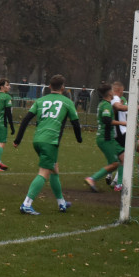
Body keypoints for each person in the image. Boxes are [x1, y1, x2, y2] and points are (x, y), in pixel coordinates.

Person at [13, 74, 82, 214]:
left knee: (54, 169)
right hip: (50, 141)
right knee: (44, 172)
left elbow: (26, 119)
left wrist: (18, 139)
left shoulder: (40, 100)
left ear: (50, 87)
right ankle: (26, 204)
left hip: (37, 139)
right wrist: (79, 138)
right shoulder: (67, 102)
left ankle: (61, 203)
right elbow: (75, 123)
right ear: (63, 87)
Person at [111, 80, 139, 188]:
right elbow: (119, 107)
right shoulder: (115, 98)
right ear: (118, 90)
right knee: (134, 154)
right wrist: (135, 107)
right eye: (122, 91)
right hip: (121, 134)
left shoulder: (119, 100)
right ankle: (119, 181)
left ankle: (116, 180)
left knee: (131, 155)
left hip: (124, 133)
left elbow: (125, 113)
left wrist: (133, 123)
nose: (123, 93)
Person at [85, 83, 124, 192]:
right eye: (112, 90)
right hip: (106, 138)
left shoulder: (105, 104)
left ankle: (119, 184)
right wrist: (124, 123)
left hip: (109, 138)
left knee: (124, 158)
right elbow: (107, 120)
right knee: (115, 163)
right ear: (110, 93)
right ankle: (92, 178)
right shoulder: (106, 105)